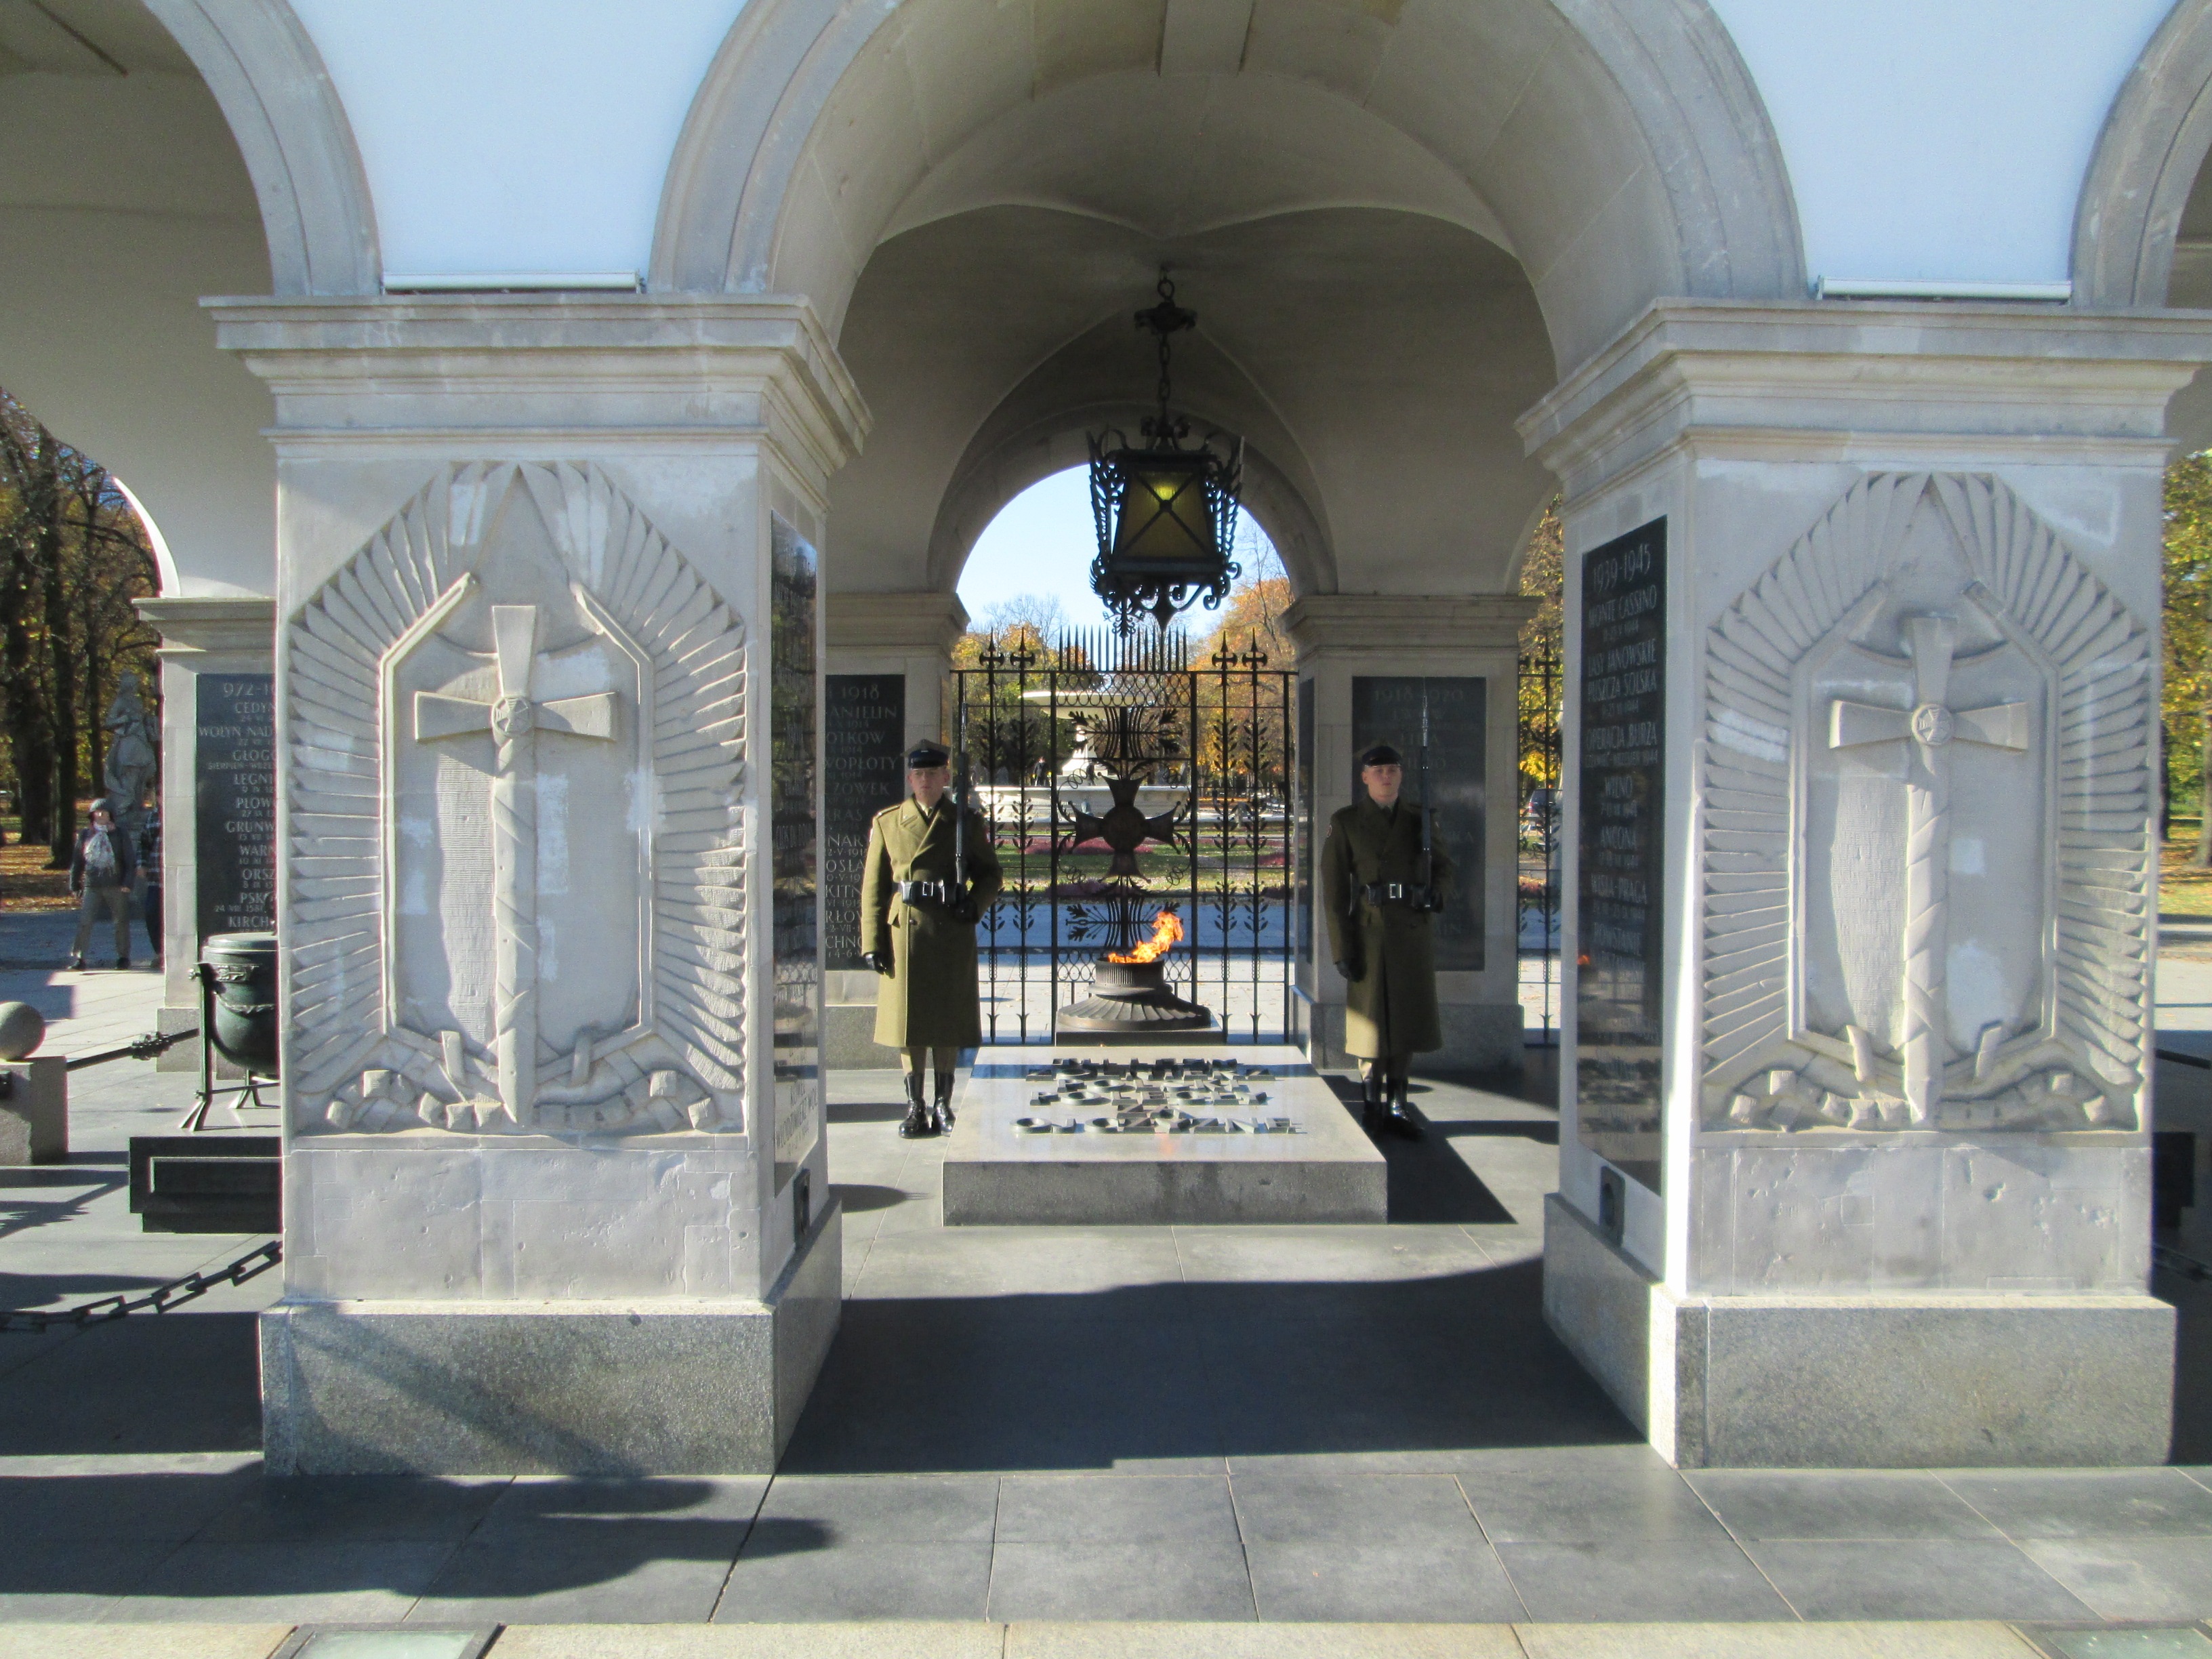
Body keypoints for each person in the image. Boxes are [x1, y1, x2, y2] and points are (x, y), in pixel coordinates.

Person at [858, 739, 1004, 1137]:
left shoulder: (964, 823)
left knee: (947, 1018)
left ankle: (943, 1102)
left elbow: (991, 874)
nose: (925, 781)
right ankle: (915, 1105)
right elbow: (874, 887)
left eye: (933, 774)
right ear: (910, 779)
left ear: (945, 777)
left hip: (950, 927)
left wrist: (974, 904)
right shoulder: (889, 822)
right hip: (906, 932)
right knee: (909, 1023)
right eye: (919, 774)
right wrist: (872, 942)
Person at [1322, 743, 1453, 1138]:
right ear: (1365, 777)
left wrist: (1435, 893)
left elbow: (1444, 867)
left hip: (1410, 932)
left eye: (1392, 769)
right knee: (1371, 1021)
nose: (1386, 776)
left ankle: (1398, 1103)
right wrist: (1342, 949)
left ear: (1401, 775)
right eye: (1378, 771)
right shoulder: (1347, 822)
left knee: (1406, 1019)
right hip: (1370, 932)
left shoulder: (1420, 819)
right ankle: (1371, 1103)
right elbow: (1334, 891)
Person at [68, 798, 138, 971]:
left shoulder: (119, 834)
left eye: (104, 812)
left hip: (116, 884)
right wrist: (74, 884)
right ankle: (80, 958)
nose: (100, 815)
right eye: (97, 812)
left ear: (110, 815)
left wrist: (127, 883)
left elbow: (129, 860)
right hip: (92, 884)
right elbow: (78, 861)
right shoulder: (86, 834)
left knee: (121, 921)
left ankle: (123, 957)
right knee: (85, 921)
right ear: (92, 815)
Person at [137, 808, 163, 966]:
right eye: (159, 797)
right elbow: (144, 843)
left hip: (177, 879)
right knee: (152, 913)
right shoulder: (153, 817)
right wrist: (141, 864)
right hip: (156, 877)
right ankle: (159, 952)